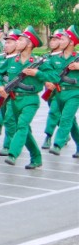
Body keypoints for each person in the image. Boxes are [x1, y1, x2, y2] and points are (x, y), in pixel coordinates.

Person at [0, 26, 48, 169]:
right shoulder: (12, 60)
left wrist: (37, 73)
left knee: (22, 126)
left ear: (30, 44)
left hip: (30, 100)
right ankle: (36, 157)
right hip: (14, 99)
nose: (17, 42)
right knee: (24, 130)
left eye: (20, 40)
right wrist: (0, 86)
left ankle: (13, 154)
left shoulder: (38, 61)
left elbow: (54, 76)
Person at [47, 25, 79, 157]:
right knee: (70, 122)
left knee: (66, 118)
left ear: (71, 42)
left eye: (63, 39)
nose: (59, 41)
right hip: (59, 93)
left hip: (74, 93)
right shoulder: (55, 57)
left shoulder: (77, 57)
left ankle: (57, 144)